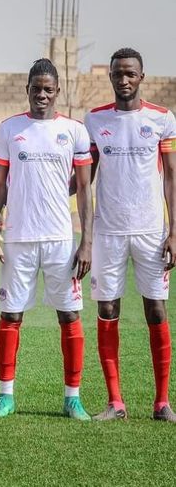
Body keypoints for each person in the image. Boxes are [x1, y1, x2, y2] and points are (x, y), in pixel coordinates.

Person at [0, 58, 93, 420]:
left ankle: (73, 398)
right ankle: (5, 396)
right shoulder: (10, 128)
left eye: (48, 89)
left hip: (60, 238)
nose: (41, 94)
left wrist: (86, 241)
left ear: (57, 90)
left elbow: (85, 190)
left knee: (69, 314)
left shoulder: (74, 131)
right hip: (18, 238)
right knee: (11, 314)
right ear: (27, 89)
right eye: (35, 88)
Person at [84, 47, 176, 422]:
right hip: (108, 231)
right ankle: (115, 402)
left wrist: (174, 231)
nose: (124, 80)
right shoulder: (94, 120)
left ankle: (162, 402)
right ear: (110, 76)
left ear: (141, 77)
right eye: (118, 73)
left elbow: (171, 177)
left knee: (156, 308)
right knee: (107, 309)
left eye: (130, 73)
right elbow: (83, 180)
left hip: (151, 231)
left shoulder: (162, 119)